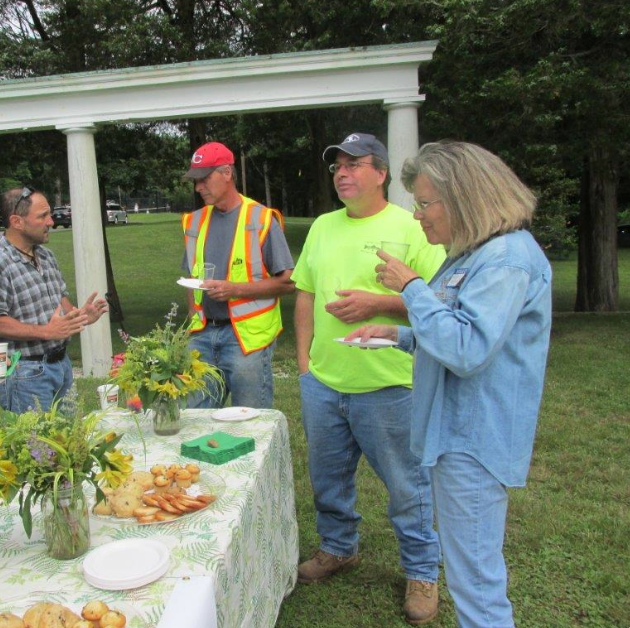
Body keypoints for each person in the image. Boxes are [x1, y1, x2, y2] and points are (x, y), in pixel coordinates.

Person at [349, 141, 552, 628]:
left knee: (476, 587)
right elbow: (455, 331)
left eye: (424, 203)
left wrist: (411, 287)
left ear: (464, 198)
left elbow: (466, 349)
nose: (418, 215)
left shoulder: (505, 259)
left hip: (474, 441)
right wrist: (399, 334)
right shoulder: (473, 254)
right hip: (455, 434)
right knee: (469, 577)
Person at [291, 132, 446, 625]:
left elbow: (439, 301)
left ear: (381, 173)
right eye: (337, 166)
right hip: (324, 383)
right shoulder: (322, 226)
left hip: (390, 385)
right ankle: (338, 547)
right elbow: (304, 294)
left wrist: (376, 303)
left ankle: (421, 571)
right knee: (327, 480)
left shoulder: (411, 226)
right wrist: (304, 365)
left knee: (407, 486)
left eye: (354, 164)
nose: (342, 173)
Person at [181, 141, 295, 409]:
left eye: (204, 179)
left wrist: (235, 290)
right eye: (196, 181)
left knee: (249, 421)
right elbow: (190, 278)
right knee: (195, 421)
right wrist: (192, 321)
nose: (198, 187)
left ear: (227, 173)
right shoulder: (194, 221)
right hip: (202, 337)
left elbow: (289, 283)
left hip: (246, 339)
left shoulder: (261, 219)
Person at [0, 186, 108, 413]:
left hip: (61, 366)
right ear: (17, 221)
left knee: (71, 434)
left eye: (50, 214)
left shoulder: (46, 256)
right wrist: (46, 332)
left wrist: (81, 316)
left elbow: (61, 304)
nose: (51, 222)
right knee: (37, 436)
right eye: (42, 216)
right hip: (25, 374)